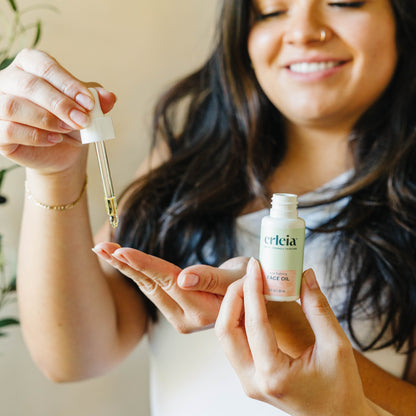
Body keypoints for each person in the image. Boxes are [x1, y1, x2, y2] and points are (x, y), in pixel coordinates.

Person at [0, 0, 415, 415]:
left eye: (344, 2)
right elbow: (73, 357)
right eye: (271, 10)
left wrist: (292, 331)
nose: (303, 31)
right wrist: (56, 175)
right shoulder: (189, 165)